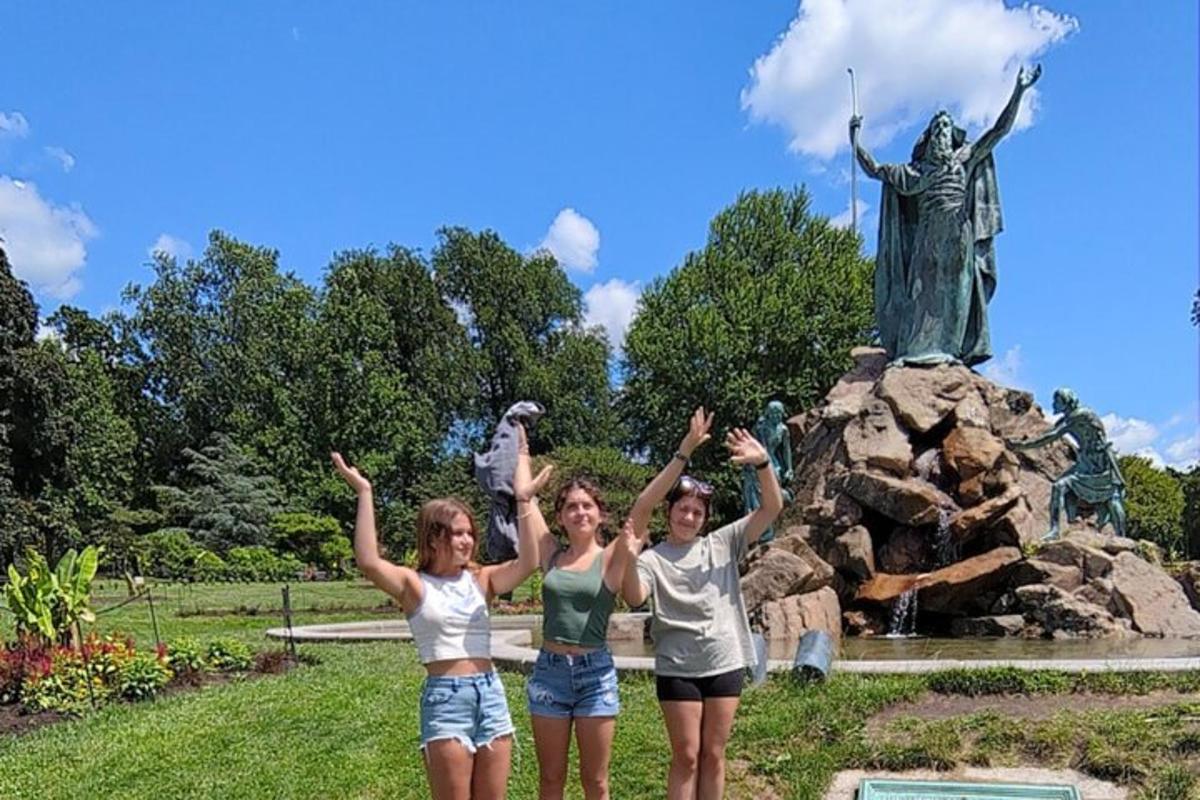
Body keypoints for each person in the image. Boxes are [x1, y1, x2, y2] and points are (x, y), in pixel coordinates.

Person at [331, 446, 549, 800]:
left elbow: (528, 562)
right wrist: (365, 492)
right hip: (446, 700)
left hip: (490, 695)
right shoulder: (414, 585)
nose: (468, 540)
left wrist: (523, 501)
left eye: (470, 533)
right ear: (433, 538)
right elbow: (369, 561)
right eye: (458, 533)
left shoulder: (482, 579)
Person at [620, 407, 783, 800]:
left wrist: (763, 463)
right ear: (670, 512)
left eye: (697, 512)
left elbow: (772, 508)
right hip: (678, 667)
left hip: (724, 660)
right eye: (682, 509)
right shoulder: (652, 559)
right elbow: (634, 596)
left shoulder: (722, 543)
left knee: (714, 754)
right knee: (687, 756)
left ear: (705, 519)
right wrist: (627, 557)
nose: (689, 517)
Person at [850, 65, 1041, 367]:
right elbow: (874, 169)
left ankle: (952, 351)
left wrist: (1018, 91)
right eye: (937, 126)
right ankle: (911, 352)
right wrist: (855, 141)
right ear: (928, 138)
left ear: (953, 136)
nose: (942, 130)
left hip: (958, 233)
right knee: (919, 293)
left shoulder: (964, 160)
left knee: (956, 293)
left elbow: (998, 131)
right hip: (927, 236)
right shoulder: (913, 173)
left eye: (946, 127)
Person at [517, 433, 640, 799]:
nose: (580, 512)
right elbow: (526, 498)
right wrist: (522, 452)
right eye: (571, 507)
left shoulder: (612, 555)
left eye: (587, 505)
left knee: (596, 782)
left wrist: (683, 452)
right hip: (549, 674)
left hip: (595, 676)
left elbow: (647, 502)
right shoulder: (551, 553)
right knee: (550, 779)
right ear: (560, 517)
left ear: (601, 514)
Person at [1007, 387, 1127, 540]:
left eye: (1056, 401)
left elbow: (1050, 436)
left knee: (1113, 497)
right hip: (1086, 462)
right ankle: (1055, 530)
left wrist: (1021, 446)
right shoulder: (1068, 420)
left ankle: (1122, 537)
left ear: (1066, 401)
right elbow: (1049, 435)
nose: (1053, 404)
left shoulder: (1081, 414)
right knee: (1059, 486)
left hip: (1100, 463)